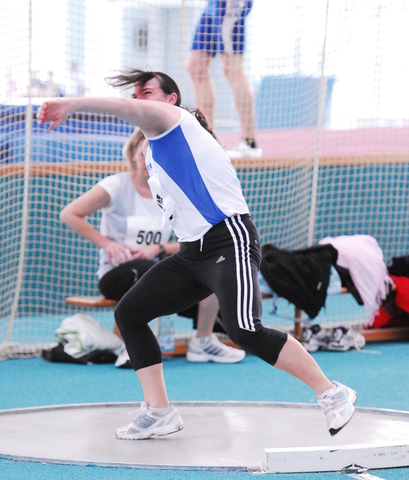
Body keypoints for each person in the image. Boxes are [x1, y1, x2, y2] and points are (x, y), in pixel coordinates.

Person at [37, 69, 357, 441]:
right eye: (136, 94)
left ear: (171, 98)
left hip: (228, 240)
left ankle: (332, 392)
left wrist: (71, 104)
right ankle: (159, 411)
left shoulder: (177, 120)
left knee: (245, 330)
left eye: (147, 92)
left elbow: (126, 110)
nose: (139, 100)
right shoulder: (154, 150)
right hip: (192, 253)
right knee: (129, 313)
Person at [60, 126, 245, 366]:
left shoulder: (172, 191)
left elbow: (194, 239)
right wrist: (107, 244)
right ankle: (132, 345)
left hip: (157, 267)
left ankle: (203, 341)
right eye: (143, 154)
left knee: (210, 266)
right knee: (147, 269)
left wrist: (158, 248)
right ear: (134, 154)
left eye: (154, 156)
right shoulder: (115, 186)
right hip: (118, 273)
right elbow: (69, 214)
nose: (148, 161)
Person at [186, 0, 261, 159]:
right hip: (216, 1)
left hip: (230, 0)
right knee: (196, 67)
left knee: (232, 68)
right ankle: (208, 139)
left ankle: (250, 143)